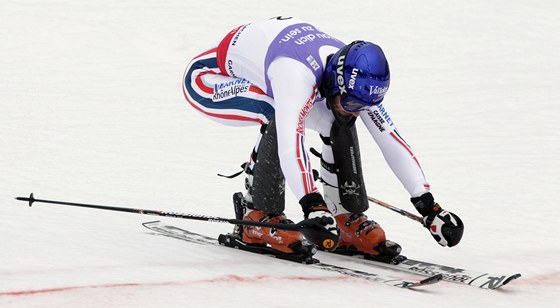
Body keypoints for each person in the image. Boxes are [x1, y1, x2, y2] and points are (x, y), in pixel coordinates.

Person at [182, 16, 464, 261]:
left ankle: (344, 216)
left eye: (361, 105)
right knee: (277, 112)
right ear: (335, 82)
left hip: (268, 67)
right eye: (352, 102)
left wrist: (429, 206)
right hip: (208, 79)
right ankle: (255, 216)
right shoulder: (295, 74)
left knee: (338, 121)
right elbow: (291, 142)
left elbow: (388, 137)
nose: (355, 109)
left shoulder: (356, 80)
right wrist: (312, 205)